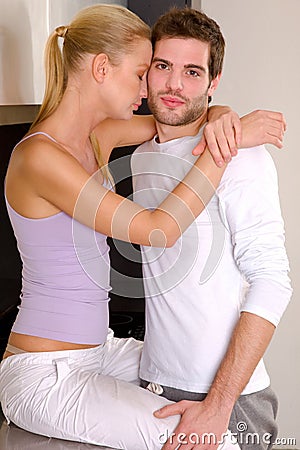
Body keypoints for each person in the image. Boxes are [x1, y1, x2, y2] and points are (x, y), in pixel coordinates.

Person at [0, 3, 286, 449]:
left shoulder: (100, 136)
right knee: (201, 440)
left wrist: (224, 115)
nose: (149, 87)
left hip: (100, 351)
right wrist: (225, 148)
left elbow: (184, 115)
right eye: (144, 72)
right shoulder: (39, 158)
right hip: (45, 372)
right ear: (100, 68)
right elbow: (158, 230)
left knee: (194, 371)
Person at [131, 7, 292, 450]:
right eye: (163, 67)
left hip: (230, 401)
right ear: (146, 73)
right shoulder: (141, 156)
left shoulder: (241, 155)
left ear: (213, 82)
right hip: (154, 385)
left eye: (192, 72)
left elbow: (273, 281)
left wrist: (219, 403)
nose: (174, 84)